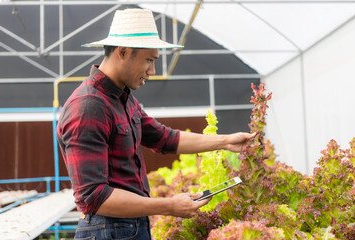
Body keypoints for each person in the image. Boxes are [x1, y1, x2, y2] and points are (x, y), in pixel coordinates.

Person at [57, 8, 256, 240]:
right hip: (106, 231)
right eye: (149, 60)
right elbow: (93, 197)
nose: (152, 71)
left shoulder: (123, 99)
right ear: (123, 52)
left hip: (126, 228)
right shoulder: (89, 107)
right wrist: (169, 206)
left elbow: (164, 138)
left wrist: (226, 141)